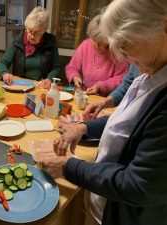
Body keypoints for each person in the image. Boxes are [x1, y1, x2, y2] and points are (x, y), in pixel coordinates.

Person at [41, 0, 167, 224]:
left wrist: (70, 166)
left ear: (163, 26)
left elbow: (139, 186)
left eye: (125, 43)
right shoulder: (150, 73)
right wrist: (83, 127)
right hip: (106, 203)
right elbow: (129, 123)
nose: (120, 56)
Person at [65, 14, 130, 96]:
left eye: (100, 44)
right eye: (93, 41)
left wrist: (101, 86)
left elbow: (121, 78)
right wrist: (75, 76)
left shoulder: (118, 51)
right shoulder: (86, 45)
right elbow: (71, 68)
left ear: (110, 41)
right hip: (85, 95)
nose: (95, 46)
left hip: (107, 99)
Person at [0, 6, 60, 89]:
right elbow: (2, 63)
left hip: (40, 87)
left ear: (44, 31)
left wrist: (49, 79)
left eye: (36, 33)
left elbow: (56, 67)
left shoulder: (51, 41)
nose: (32, 36)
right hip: (20, 86)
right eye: (30, 31)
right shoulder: (17, 41)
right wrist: (4, 73)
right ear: (26, 27)